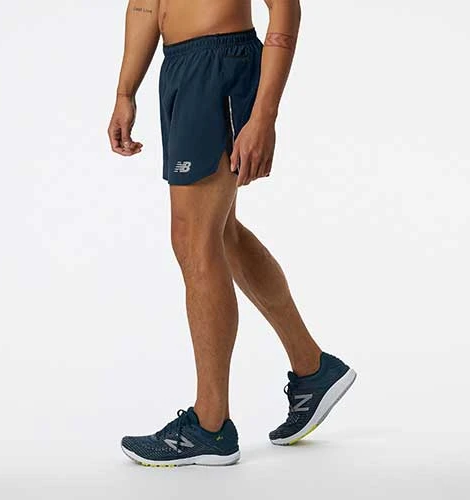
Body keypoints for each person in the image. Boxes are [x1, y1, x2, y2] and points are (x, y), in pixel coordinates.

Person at [108, 0, 356, 467]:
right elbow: (144, 6)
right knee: (222, 234)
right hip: (180, 67)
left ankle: (210, 425)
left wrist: (263, 117)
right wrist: (125, 91)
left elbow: (285, 9)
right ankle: (313, 368)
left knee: (193, 239)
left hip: (220, 64)